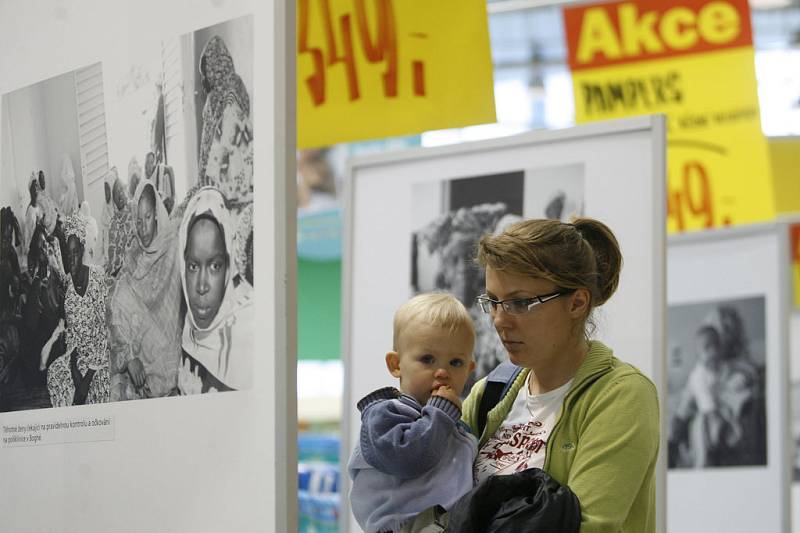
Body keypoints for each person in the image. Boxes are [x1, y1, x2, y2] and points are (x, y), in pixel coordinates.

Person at [462, 218, 659, 533]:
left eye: (521, 302)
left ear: (577, 303)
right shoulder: (488, 393)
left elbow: (589, 526)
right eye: (494, 302)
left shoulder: (621, 395)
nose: (500, 320)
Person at [348, 292, 477, 533]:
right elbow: (409, 458)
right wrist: (441, 414)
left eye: (456, 363)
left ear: (469, 370)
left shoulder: (454, 426)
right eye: (428, 359)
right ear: (396, 365)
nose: (442, 372)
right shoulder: (384, 415)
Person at [108, 180, 182, 401]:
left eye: (147, 218)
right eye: (138, 221)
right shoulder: (134, 256)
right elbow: (116, 303)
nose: (142, 228)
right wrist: (129, 356)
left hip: (175, 364)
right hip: (144, 368)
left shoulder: (173, 246)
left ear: (157, 214)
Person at [177, 187, 253, 394]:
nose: (201, 286)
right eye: (193, 266)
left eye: (215, 266)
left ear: (229, 267)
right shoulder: (189, 327)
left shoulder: (249, 334)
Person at [46, 214, 110, 406]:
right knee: (55, 374)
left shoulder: (98, 278)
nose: (71, 260)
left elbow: (104, 333)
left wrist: (86, 380)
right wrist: (74, 369)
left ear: (82, 250)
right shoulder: (67, 285)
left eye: (75, 253)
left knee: (100, 389)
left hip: (100, 359)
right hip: (78, 356)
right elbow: (72, 335)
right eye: (68, 254)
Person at [197, 35, 252, 207]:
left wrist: (208, 177)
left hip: (225, 178)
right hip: (225, 177)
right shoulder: (234, 86)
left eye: (207, 70)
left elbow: (225, 136)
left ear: (215, 64)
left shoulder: (225, 92)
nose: (206, 76)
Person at [106, 172, 136, 278]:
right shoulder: (113, 223)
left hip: (135, 269)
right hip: (118, 274)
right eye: (116, 192)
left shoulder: (134, 209)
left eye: (121, 189)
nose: (120, 194)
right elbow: (112, 256)